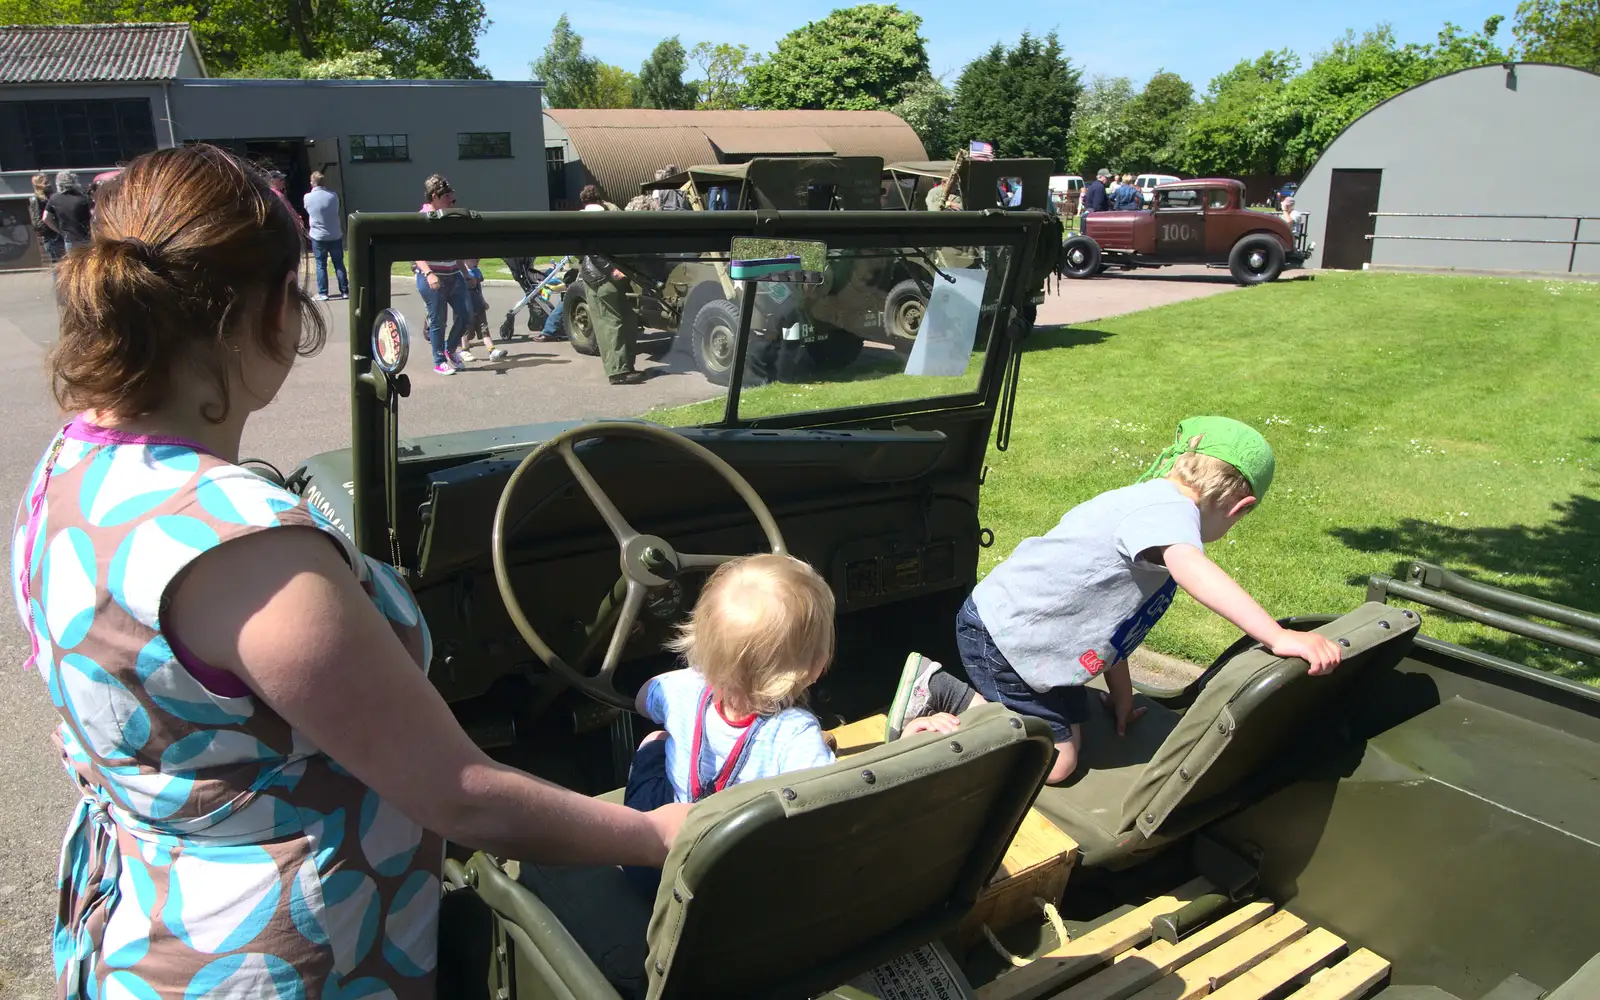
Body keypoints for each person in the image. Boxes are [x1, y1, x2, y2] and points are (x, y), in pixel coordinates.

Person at [16, 143, 686, 999]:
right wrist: (663, 832)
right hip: (293, 956)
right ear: (258, 314)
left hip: (151, 913)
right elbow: (464, 796)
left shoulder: (70, 468)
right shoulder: (244, 548)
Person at [885, 416, 1343, 785]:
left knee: (1075, 733)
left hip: (1035, 638)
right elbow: (1192, 569)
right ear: (1239, 509)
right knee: (1057, 763)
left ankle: (984, 700)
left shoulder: (1154, 510)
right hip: (1004, 639)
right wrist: (1278, 636)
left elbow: (1109, 626)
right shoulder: (1167, 516)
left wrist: (1121, 696)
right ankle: (942, 693)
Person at [621, 554, 952, 891]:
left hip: (655, 866)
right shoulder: (795, 734)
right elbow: (840, 806)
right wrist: (901, 748)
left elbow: (642, 698)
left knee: (656, 740)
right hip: (733, 881)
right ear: (813, 668)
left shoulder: (681, 688)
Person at [578, 184, 645, 385]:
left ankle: (624, 368)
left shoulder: (581, 218)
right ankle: (618, 372)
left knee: (622, 320)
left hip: (598, 278)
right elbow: (593, 250)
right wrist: (611, 269)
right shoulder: (600, 216)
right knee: (613, 323)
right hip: (602, 278)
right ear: (599, 199)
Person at [415, 173, 474, 375]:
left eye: (452, 196)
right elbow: (415, 251)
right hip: (433, 276)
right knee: (438, 320)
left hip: (453, 274)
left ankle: (450, 350)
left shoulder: (450, 217)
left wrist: (465, 273)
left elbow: (455, 249)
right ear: (434, 196)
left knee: (467, 315)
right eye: (447, 196)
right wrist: (429, 273)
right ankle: (439, 360)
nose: (451, 200)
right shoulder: (423, 217)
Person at [302, 170, 349, 301]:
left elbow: (307, 209)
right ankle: (345, 290)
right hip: (334, 233)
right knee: (338, 263)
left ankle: (323, 293)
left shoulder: (307, 197)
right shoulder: (333, 196)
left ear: (312, 182)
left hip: (318, 235)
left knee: (320, 264)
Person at [42, 171, 92, 253]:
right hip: (86, 238)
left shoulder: (54, 198)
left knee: (73, 264)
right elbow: (94, 216)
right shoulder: (83, 198)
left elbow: (45, 218)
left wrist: (59, 230)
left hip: (69, 239)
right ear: (74, 181)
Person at [29, 173, 64, 263]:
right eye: (46, 182)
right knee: (58, 263)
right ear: (39, 184)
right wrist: (52, 233)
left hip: (57, 232)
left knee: (62, 262)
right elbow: (38, 221)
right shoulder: (37, 199)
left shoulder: (51, 196)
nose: (49, 184)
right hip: (52, 236)